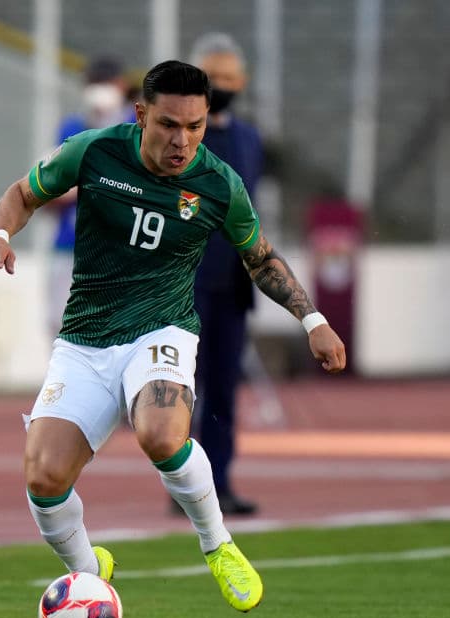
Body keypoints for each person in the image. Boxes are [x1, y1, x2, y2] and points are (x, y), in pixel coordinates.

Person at [0, 60, 346, 613]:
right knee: (43, 478)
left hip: (162, 330)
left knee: (161, 435)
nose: (182, 141)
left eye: (195, 126)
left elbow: (260, 259)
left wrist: (313, 321)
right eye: (169, 125)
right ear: (141, 115)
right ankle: (91, 576)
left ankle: (219, 546)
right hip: (86, 339)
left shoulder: (218, 183)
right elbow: (23, 193)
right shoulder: (94, 151)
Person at [187, 33, 264, 516]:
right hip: (184, 282)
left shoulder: (250, 138)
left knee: (222, 389)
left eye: (230, 79)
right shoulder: (182, 137)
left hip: (233, 284)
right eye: (214, 79)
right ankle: (185, 486)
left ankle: (217, 484)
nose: (224, 86)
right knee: (177, 390)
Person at [45, 55, 137, 336]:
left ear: (121, 85)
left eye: (105, 83)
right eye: (94, 83)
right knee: (61, 327)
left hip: (122, 245)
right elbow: (49, 191)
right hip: (71, 244)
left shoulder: (136, 126)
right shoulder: (73, 128)